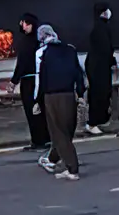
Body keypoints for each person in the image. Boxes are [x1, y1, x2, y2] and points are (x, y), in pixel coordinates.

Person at [34, 25, 86, 181]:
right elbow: (79, 73)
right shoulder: (70, 49)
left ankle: (72, 168)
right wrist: (80, 94)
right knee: (67, 130)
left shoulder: (42, 53)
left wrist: (37, 100)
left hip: (52, 96)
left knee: (58, 132)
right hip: (69, 94)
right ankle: (52, 158)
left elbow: (40, 79)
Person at [10, 13, 50, 151]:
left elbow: (22, 63)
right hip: (42, 79)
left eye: (24, 23)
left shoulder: (26, 42)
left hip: (29, 81)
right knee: (42, 109)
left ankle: (38, 141)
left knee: (32, 111)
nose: (22, 26)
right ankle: (46, 138)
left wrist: (14, 81)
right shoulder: (40, 41)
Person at [84, 2, 115, 135]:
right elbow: (105, 49)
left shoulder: (99, 27)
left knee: (101, 93)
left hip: (97, 66)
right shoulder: (100, 28)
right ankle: (92, 123)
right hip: (98, 67)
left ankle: (100, 119)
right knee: (98, 94)